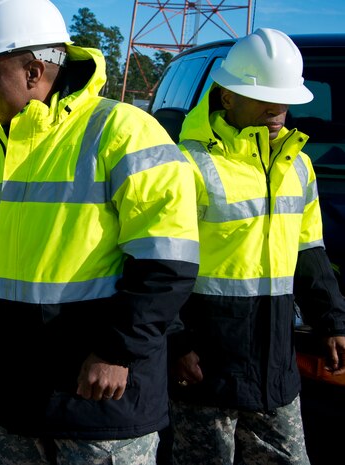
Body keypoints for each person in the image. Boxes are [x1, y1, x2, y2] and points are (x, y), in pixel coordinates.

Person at [0, 0, 200, 463]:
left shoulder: (123, 133)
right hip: (11, 394)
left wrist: (117, 351)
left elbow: (168, 262)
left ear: (35, 71)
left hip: (100, 400)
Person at [168, 28, 345, 465]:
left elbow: (309, 251)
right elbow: (159, 263)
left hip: (275, 368)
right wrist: (175, 343)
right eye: (264, 95)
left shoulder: (299, 166)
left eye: (284, 97)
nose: (277, 108)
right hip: (206, 369)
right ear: (226, 97)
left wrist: (331, 320)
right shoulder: (187, 164)